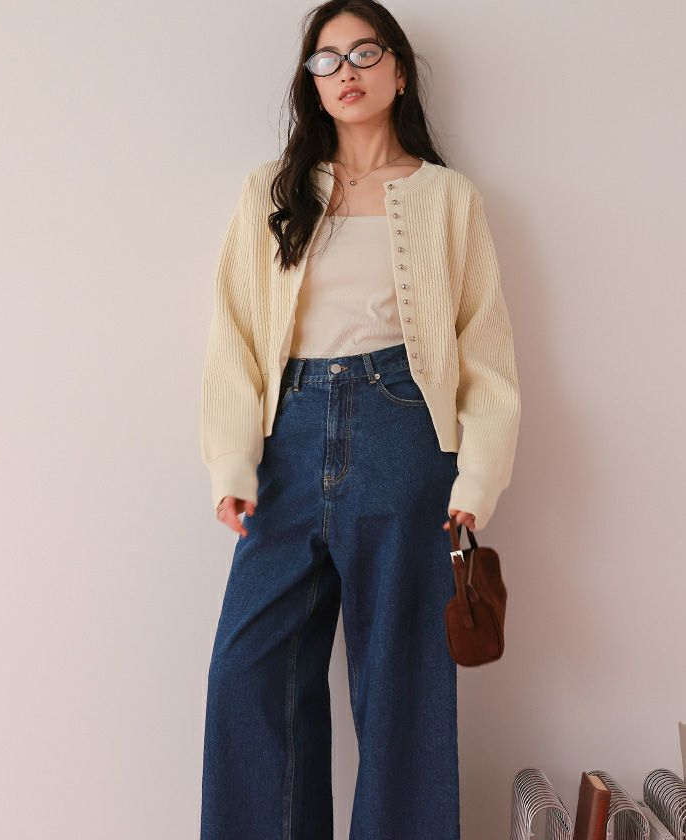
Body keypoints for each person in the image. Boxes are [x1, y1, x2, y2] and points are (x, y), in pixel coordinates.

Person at [198, 1, 521, 838]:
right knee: (248, 673)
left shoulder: (447, 197)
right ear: (311, 83)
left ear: (399, 71)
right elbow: (234, 339)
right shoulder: (271, 191)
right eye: (326, 59)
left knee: (402, 685)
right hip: (287, 438)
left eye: (364, 53)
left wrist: (478, 481)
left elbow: (486, 353)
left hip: (402, 436)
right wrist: (231, 463)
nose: (345, 71)